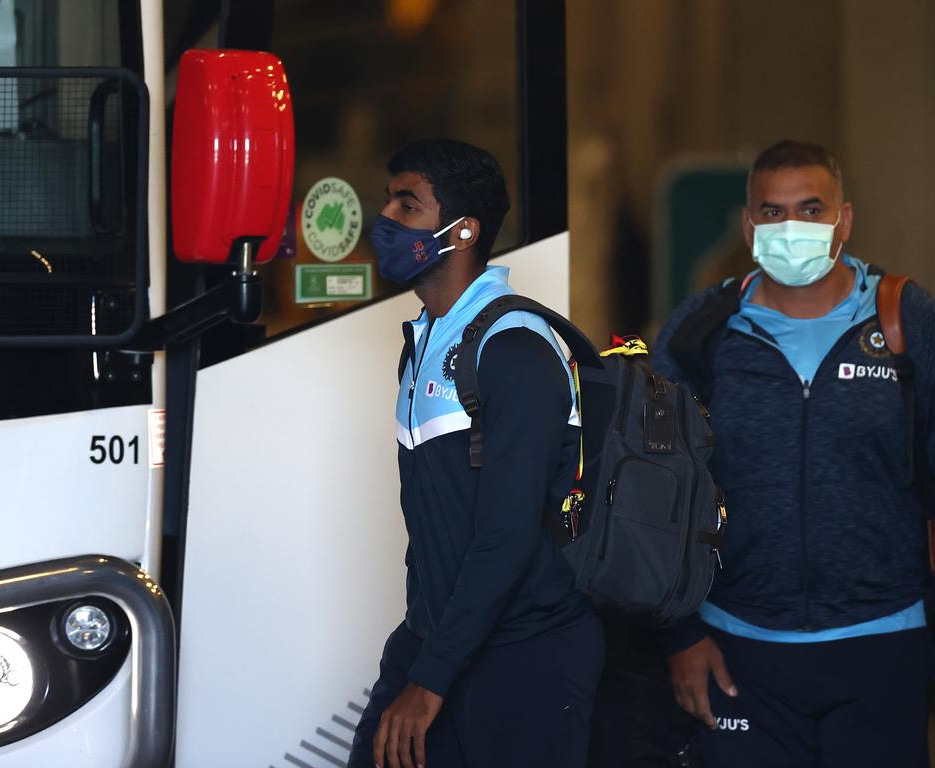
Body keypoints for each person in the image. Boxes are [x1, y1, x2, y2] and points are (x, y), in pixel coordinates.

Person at [652, 139, 934, 767]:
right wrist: (680, 635)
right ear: (749, 224)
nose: (792, 228)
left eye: (811, 209)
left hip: (883, 642)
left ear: (845, 220)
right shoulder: (703, 331)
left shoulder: (905, 319)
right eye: (773, 213)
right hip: (738, 648)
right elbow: (657, 497)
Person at [349, 138, 603, 768]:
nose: (386, 220)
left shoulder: (514, 347)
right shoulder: (426, 338)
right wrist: (421, 651)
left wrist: (429, 679)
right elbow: (433, 515)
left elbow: (506, 536)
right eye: (389, 202)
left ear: (462, 232)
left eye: (407, 206)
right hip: (441, 642)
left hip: (527, 657)